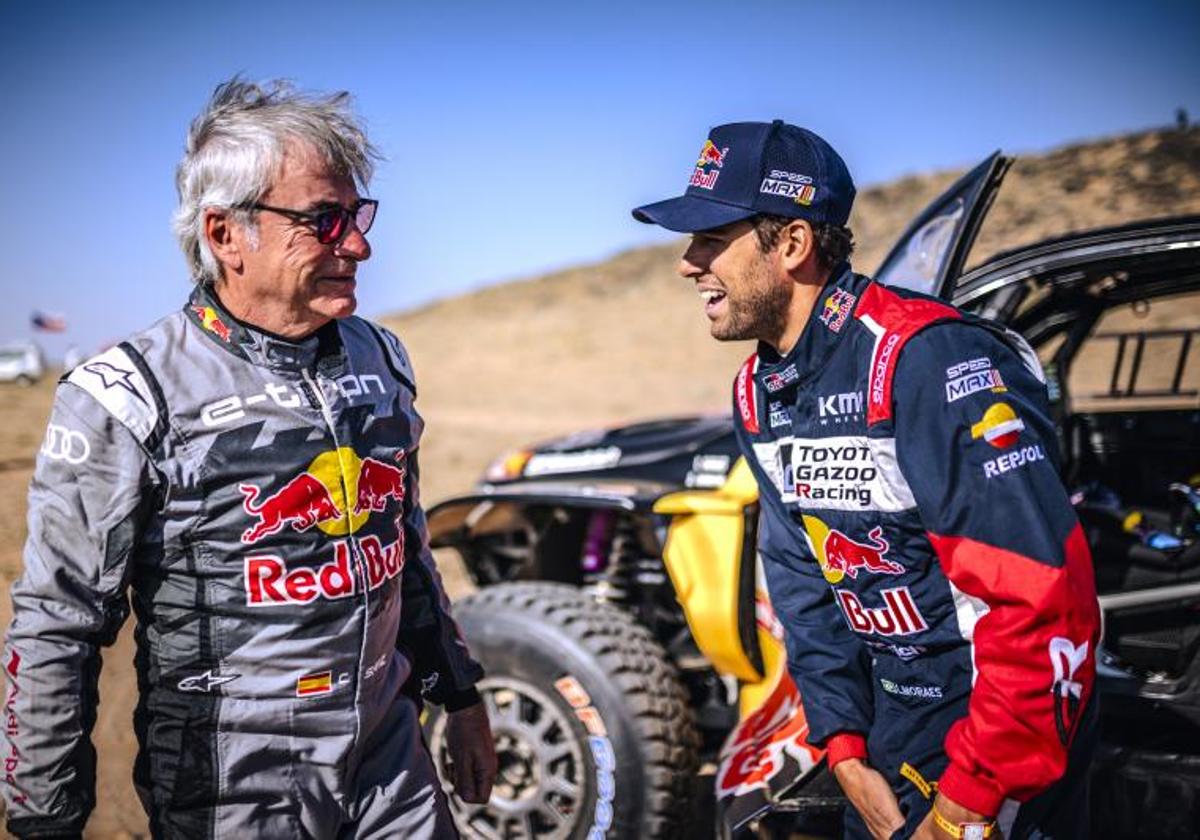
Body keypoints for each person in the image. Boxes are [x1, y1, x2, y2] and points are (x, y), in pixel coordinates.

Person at [2, 79, 496, 839]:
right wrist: (44, 823)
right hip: (236, 783)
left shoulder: (380, 357)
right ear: (226, 234)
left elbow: (406, 548)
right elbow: (56, 628)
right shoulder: (128, 394)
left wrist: (459, 698)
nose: (358, 245)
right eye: (322, 221)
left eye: (356, 216)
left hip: (388, 758)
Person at [633, 121, 1100, 839]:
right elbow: (800, 579)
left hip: (994, 739)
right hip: (889, 737)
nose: (687, 264)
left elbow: (1043, 604)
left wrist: (971, 801)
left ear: (791, 244)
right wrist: (843, 743)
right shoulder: (758, 389)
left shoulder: (929, 361)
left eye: (709, 238)